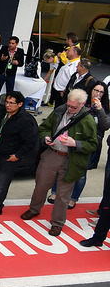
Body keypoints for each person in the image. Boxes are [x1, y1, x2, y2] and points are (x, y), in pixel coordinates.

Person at [20, 89, 98, 236]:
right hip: (52, 153)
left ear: (82, 105)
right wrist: (46, 138)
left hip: (72, 160)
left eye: (74, 107)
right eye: (69, 105)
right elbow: (44, 128)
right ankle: (34, 209)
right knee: (41, 185)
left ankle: (57, 223)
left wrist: (75, 143)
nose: (70, 109)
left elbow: (93, 145)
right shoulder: (59, 111)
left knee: (63, 194)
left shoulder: (87, 120)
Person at [47, 82, 110, 208]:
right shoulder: (81, 103)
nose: (97, 93)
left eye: (101, 91)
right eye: (95, 90)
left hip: (89, 144)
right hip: (69, 139)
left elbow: (105, 126)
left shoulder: (105, 107)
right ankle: (55, 192)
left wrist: (100, 110)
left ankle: (74, 197)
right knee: (62, 166)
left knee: (81, 172)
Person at [0, 35, 24, 102]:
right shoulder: (4, 48)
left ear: (16, 44)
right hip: (2, 73)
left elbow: (22, 63)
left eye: (13, 43)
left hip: (11, 75)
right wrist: (2, 59)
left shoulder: (20, 51)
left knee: (9, 92)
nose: (10, 45)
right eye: (10, 43)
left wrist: (17, 63)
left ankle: (8, 104)